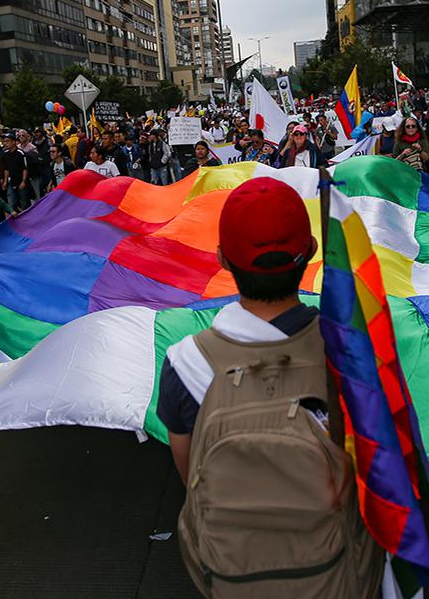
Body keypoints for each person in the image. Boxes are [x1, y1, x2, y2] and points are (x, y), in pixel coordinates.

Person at [158, 178, 384, 598]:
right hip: (339, 576)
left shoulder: (184, 364)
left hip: (232, 577)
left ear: (224, 259)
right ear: (312, 253)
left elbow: (192, 478)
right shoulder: (351, 351)